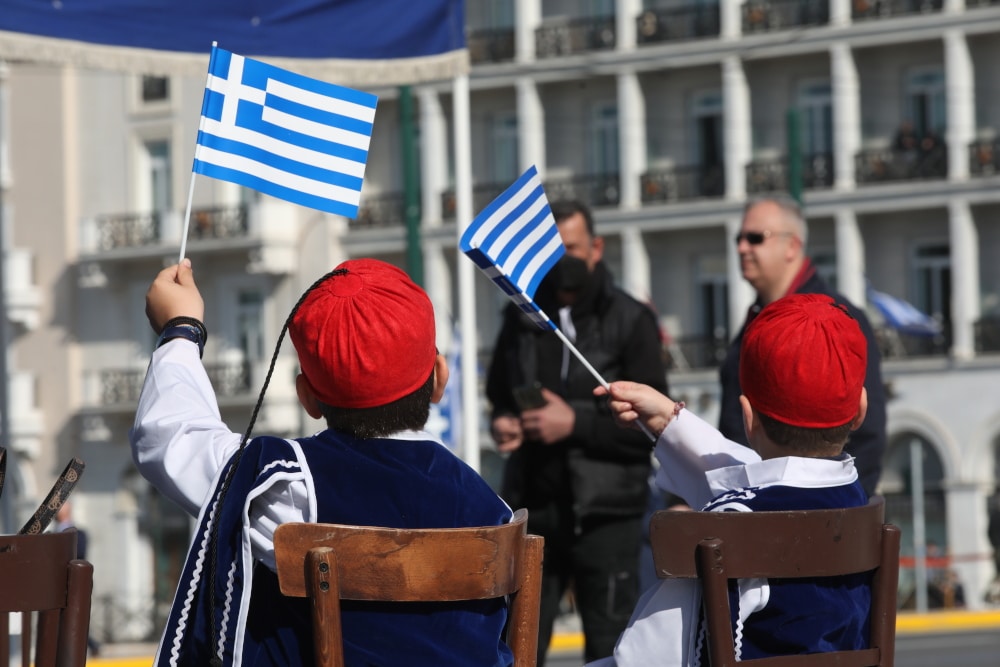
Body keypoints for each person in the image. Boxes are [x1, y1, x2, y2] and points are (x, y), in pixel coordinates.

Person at [130, 258, 514, 667]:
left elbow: (170, 436)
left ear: (307, 398)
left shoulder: (284, 488)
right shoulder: (494, 512)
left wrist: (182, 329)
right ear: (439, 378)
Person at [588, 293, 873, 667]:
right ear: (860, 411)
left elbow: (643, 657)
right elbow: (770, 479)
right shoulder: (854, 496)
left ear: (746, 418)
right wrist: (667, 423)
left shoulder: (734, 525)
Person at [485, 199, 669, 665]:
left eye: (571, 248)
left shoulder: (630, 320)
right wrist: (505, 423)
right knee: (519, 647)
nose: (562, 262)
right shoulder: (522, 318)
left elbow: (653, 428)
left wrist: (576, 423)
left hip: (606, 518)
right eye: (553, 252)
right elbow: (501, 394)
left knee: (610, 649)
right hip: (537, 515)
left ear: (596, 248)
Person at [719, 195, 886, 497]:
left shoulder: (838, 321)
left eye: (755, 238)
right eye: (739, 238)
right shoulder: (755, 317)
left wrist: (846, 514)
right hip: (750, 505)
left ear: (792, 246)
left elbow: (868, 434)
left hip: (811, 513)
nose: (742, 247)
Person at [54, 501, 100, 656]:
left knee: (76, 620)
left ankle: (91, 645)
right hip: (55, 586)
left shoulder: (79, 534)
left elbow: (79, 555)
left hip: (73, 585)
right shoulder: (51, 535)